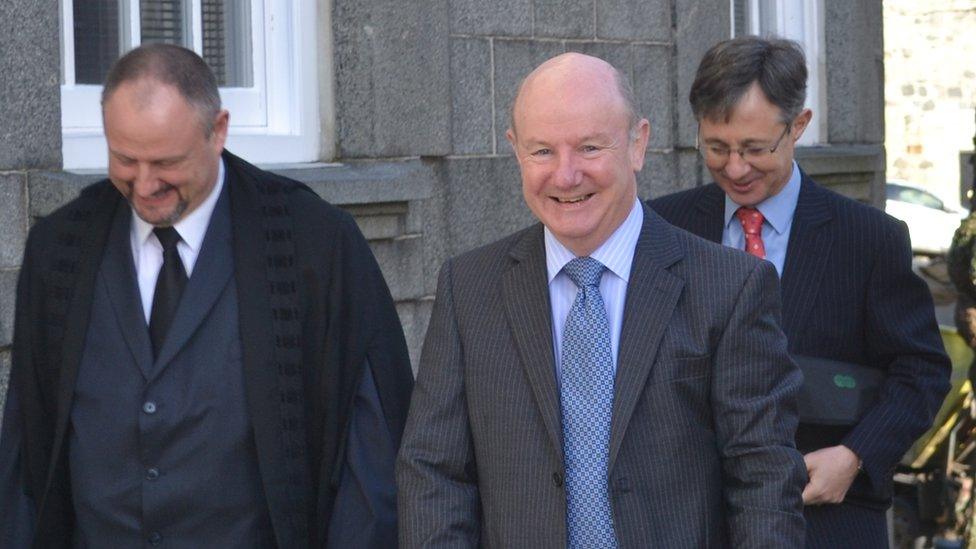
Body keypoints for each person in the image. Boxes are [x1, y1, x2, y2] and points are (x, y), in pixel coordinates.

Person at [0, 44, 414, 548]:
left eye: (166, 162)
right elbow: (26, 454)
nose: (144, 184)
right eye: (124, 159)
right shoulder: (58, 249)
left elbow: (370, 457)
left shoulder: (317, 245)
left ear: (218, 131)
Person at [396, 52, 806, 547]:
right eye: (542, 151)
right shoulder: (469, 288)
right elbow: (433, 474)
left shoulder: (730, 287)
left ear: (638, 143)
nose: (566, 176)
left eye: (589, 147)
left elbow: (763, 480)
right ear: (515, 151)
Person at [650, 36, 951, 548]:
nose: (736, 168)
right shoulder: (659, 226)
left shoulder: (869, 238)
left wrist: (854, 457)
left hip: (827, 521)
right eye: (717, 148)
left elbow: (921, 370)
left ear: (799, 126)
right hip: (689, 524)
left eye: (754, 148)